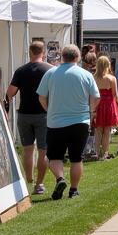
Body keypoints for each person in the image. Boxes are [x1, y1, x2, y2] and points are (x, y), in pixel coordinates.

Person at [37, 44, 100, 200]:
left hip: (56, 122)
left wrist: (48, 109)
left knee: (54, 157)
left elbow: (41, 97)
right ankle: (74, 190)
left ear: (62, 57)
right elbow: (96, 97)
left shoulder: (50, 73)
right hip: (80, 121)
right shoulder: (86, 75)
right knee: (76, 158)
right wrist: (90, 111)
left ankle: (60, 178)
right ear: (78, 57)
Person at [5, 40, 51, 194]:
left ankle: (29, 179)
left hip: (24, 114)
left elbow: (10, 93)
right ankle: (39, 184)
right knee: (43, 150)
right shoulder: (50, 70)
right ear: (43, 52)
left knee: (27, 149)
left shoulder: (20, 70)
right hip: (44, 114)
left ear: (30, 52)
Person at [92, 55, 118, 160]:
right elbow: (115, 95)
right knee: (107, 131)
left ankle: (96, 152)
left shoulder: (93, 78)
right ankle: (105, 153)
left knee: (98, 130)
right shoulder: (111, 78)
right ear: (108, 65)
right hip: (108, 105)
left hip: (96, 104)